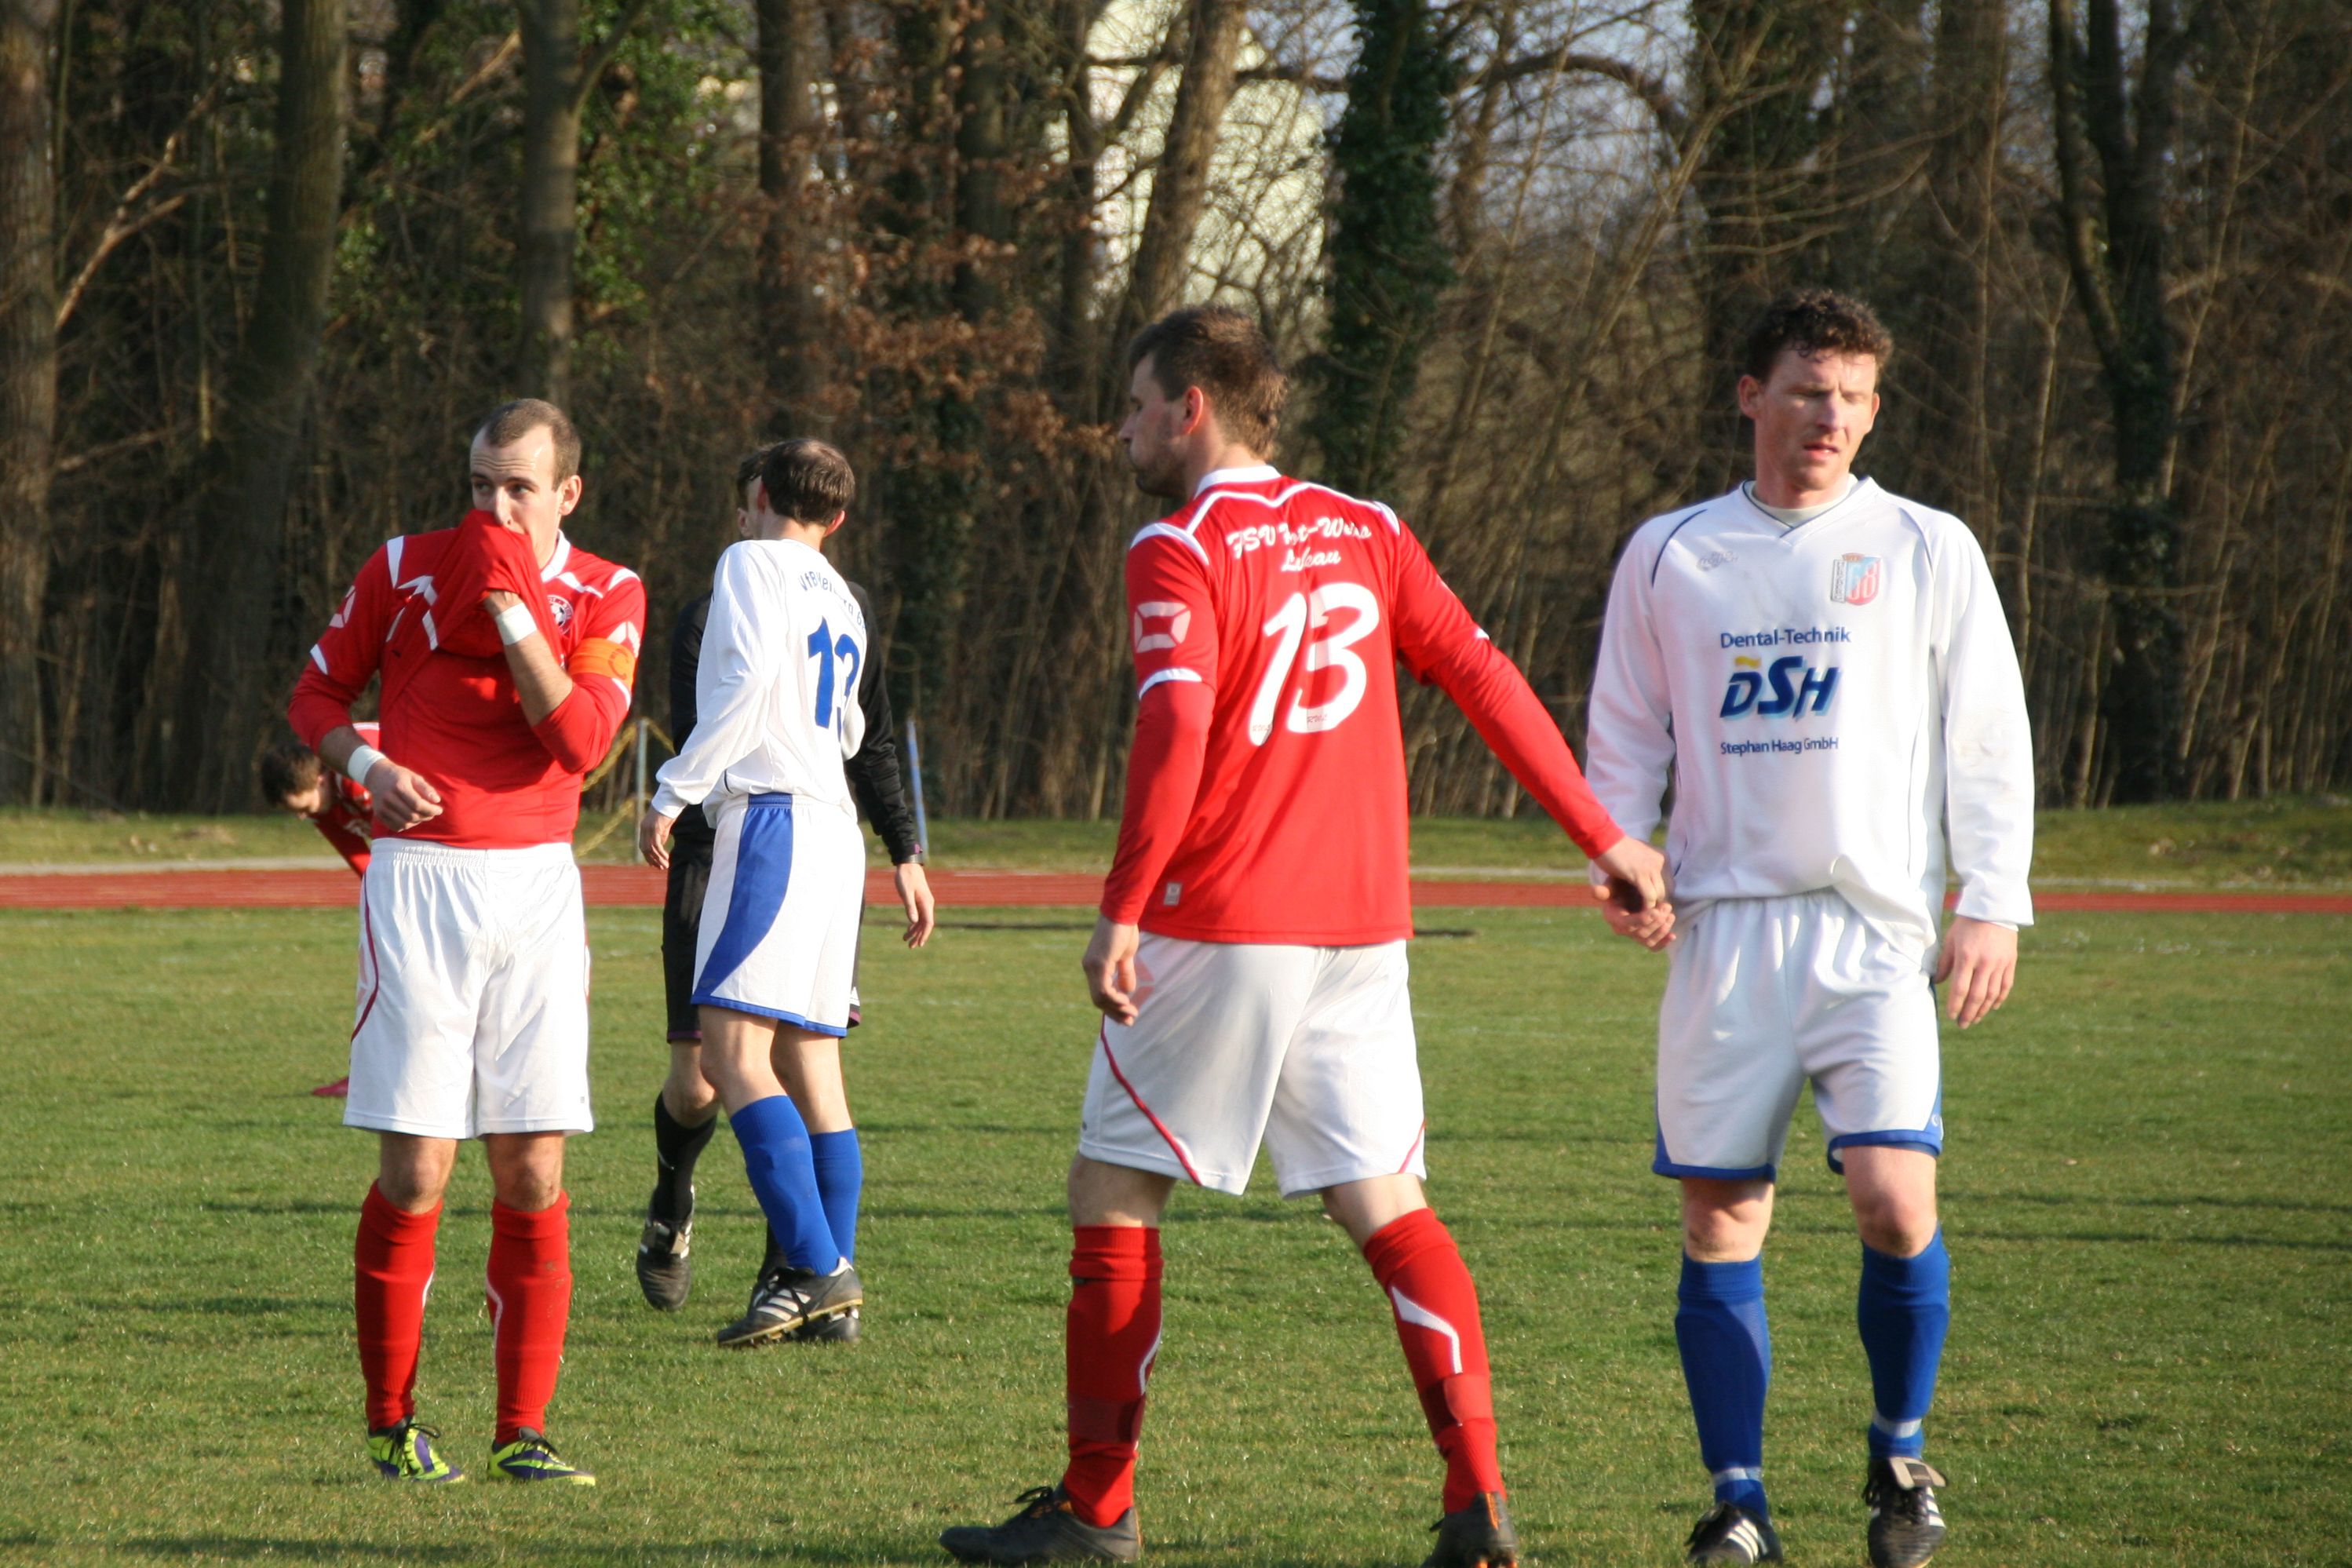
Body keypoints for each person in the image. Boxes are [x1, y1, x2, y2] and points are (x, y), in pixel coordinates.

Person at [939, 306, 1668, 1568]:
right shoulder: (1369, 528)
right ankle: (1476, 1500)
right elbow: (1488, 677)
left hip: (1222, 918)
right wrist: (1603, 835)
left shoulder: (1178, 544)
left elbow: (1174, 731)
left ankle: (1097, 1509)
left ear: (1190, 408)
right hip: (1361, 927)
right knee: (1388, 1201)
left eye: (1133, 403)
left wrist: (1121, 904)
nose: (1119, 427)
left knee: (1114, 1186)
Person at [1582, 289, 2033, 1568]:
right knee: (1720, 1214)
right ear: (1749, 396)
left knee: (1894, 1199)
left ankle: (1899, 1457)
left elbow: (1985, 734)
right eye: (1802, 388)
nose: (1826, 413)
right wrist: (1620, 848)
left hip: (1872, 935)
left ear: (1873, 409)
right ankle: (1739, 1501)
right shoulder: (1672, 552)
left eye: (1849, 394)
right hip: (1723, 933)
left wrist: (1989, 896)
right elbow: (1623, 728)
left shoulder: (1924, 546)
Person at [288, 398, 645, 1486]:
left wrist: (510, 613)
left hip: (538, 886)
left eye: (519, 487)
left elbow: (581, 742)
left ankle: (521, 1430)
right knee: (417, 1165)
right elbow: (315, 696)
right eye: (480, 482)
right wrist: (366, 767)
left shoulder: (607, 589)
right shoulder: (401, 564)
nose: (493, 504)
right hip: (421, 883)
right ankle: (393, 1420)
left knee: (532, 1166)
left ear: (566, 494)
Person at [634, 442, 935, 1346]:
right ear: (836, 519)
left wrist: (673, 787)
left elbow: (741, 686)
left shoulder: (747, 561)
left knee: (729, 1056)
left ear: (757, 497)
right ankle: (827, 1294)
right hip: (833, 828)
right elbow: (851, 725)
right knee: (812, 1063)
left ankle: (816, 1265)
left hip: (769, 820)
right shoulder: (841, 594)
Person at [261, 727, 381, 1097]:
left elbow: (410, 838)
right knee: (379, 974)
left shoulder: (360, 782)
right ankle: (366, 1075)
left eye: (303, 808)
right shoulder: (324, 806)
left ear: (320, 779)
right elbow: (363, 862)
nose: (302, 818)